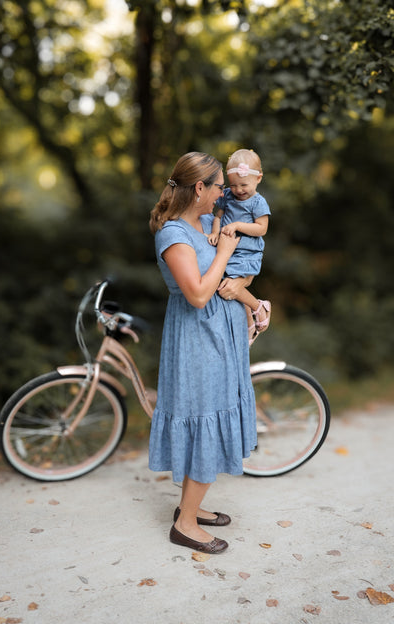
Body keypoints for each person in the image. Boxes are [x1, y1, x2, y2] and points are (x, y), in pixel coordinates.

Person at [149, 152, 258, 554]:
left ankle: (190, 508)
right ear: (199, 188)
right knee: (204, 416)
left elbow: (222, 280)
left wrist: (250, 302)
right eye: (217, 187)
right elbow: (196, 293)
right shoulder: (173, 233)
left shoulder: (201, 226)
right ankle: (186, 524)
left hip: (219, 336)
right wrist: (227, 254)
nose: (223, 194)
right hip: (198, 340)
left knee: (214, 410)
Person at [208, 148, 271, 344]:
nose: (238, 190)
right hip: (228, 250)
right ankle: (249, 325)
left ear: (258, 178)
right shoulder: (228, 196)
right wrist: (215, 232)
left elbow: (261, 229)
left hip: (246, 252)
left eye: (243, 184)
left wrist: (236, 225)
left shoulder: (258, 202)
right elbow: (218, 216)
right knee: (227, 285)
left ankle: (260, 308)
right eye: (233, 185)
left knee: (230, 285)